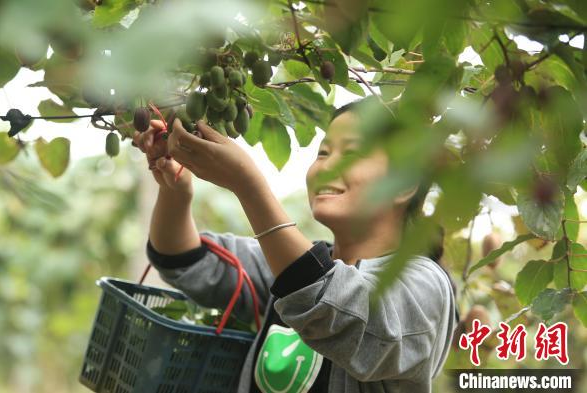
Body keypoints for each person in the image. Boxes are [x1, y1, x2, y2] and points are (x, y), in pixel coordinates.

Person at [132, 99, 459, 393]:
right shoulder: (288, 263)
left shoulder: (423, 282)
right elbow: (184, 259)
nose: (327, 167)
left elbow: (338, 309)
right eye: (323, 153)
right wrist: (175, 190)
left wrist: (248, 186)